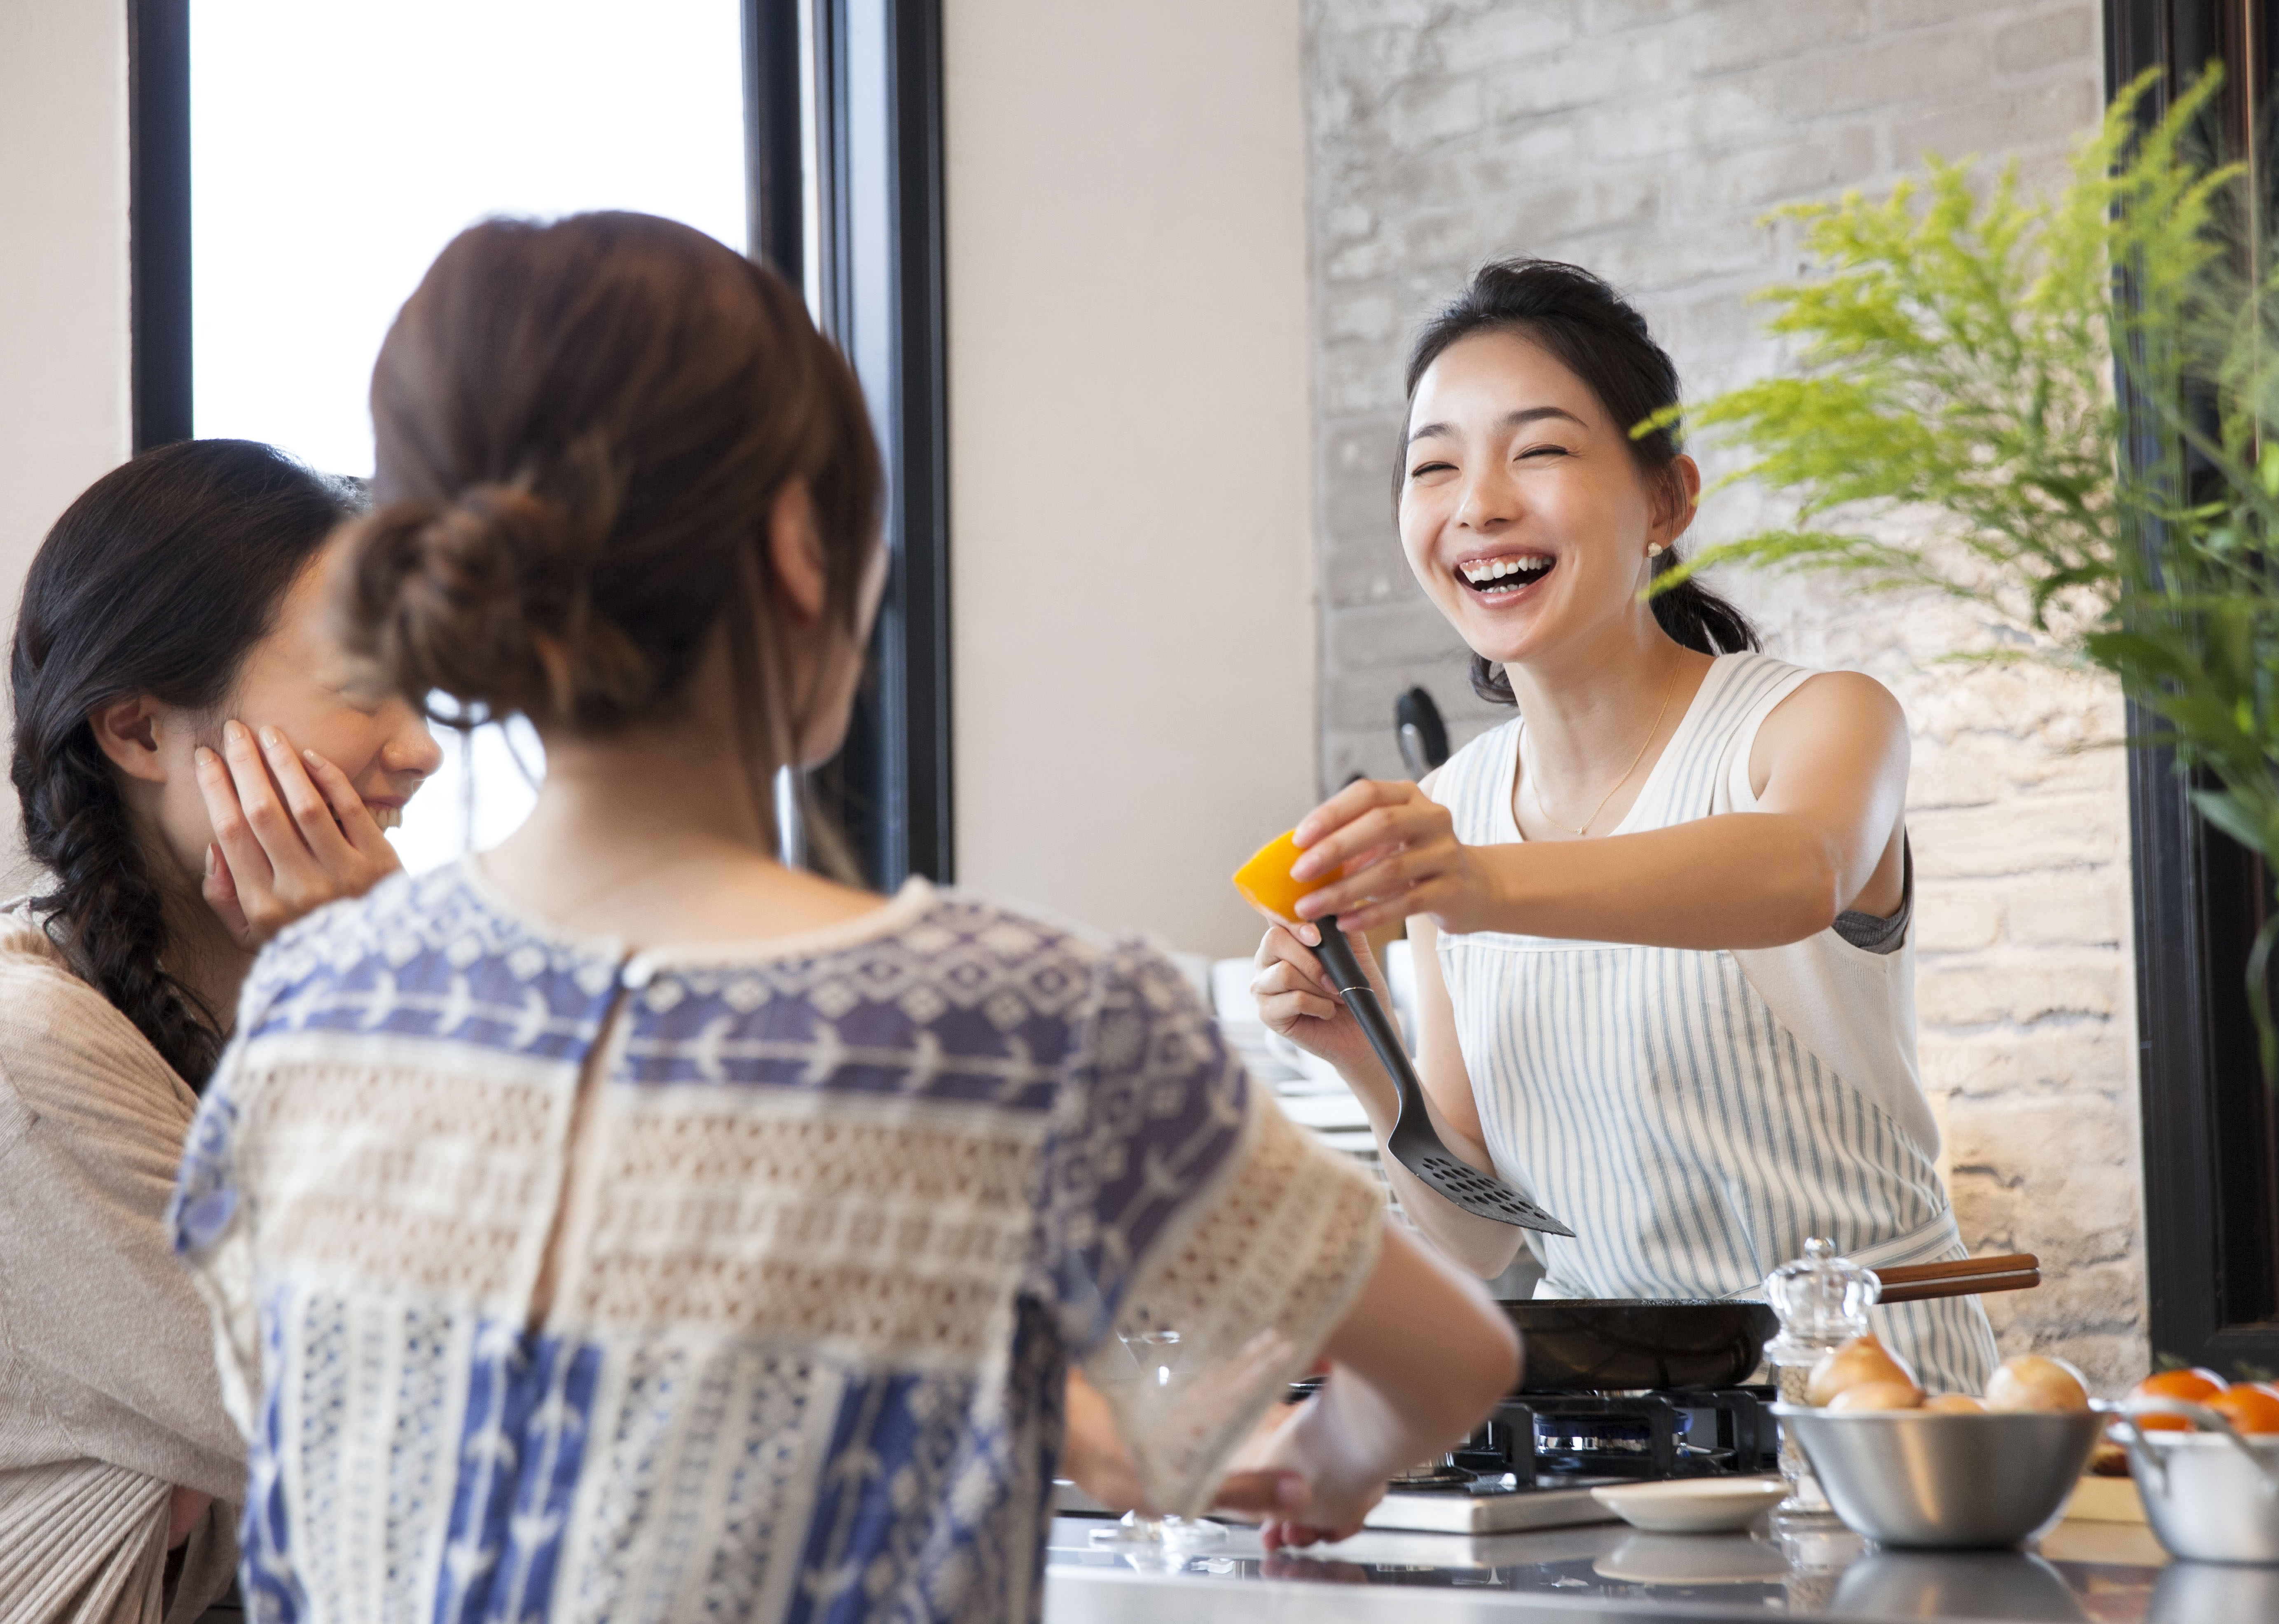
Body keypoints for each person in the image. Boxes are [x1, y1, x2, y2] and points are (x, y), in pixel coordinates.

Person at [168, 211, 1520, 1621]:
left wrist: (1061, 1420)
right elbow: (1448, 1360)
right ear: (803, 549)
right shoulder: (1027, 1021)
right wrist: (1319, 1458)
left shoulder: (313, 1002)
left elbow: (559, 1408)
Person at [1251, 259, 1998, 1392]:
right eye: (1434, 465)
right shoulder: (1451, 813)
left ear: (1667, 500)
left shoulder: (1822, 721)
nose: (1478, 504)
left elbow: (1796, 871)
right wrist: (1366, 1053)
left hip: (1870, 1401)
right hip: (1613, 1429)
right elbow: (1481, 1240)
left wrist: (1478, 886)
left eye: (1538, 450)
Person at [2, 438, 444, 1623]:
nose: (420, 748)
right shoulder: (26, 1051)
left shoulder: (252, 1009)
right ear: (140, 733)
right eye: (361, 686)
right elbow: (423, 1443)